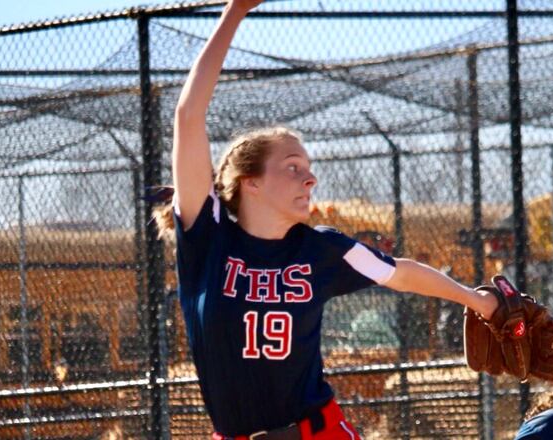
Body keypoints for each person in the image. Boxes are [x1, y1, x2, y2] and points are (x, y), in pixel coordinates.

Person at [152, 1, 500, 439]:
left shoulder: (321, 248)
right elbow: (188, 117)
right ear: (250, 182)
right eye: (293, 166)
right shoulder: (208, 237)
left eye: (309, 168)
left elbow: (400, 273)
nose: (310, 177)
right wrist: (236, 11)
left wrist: (477, 300)